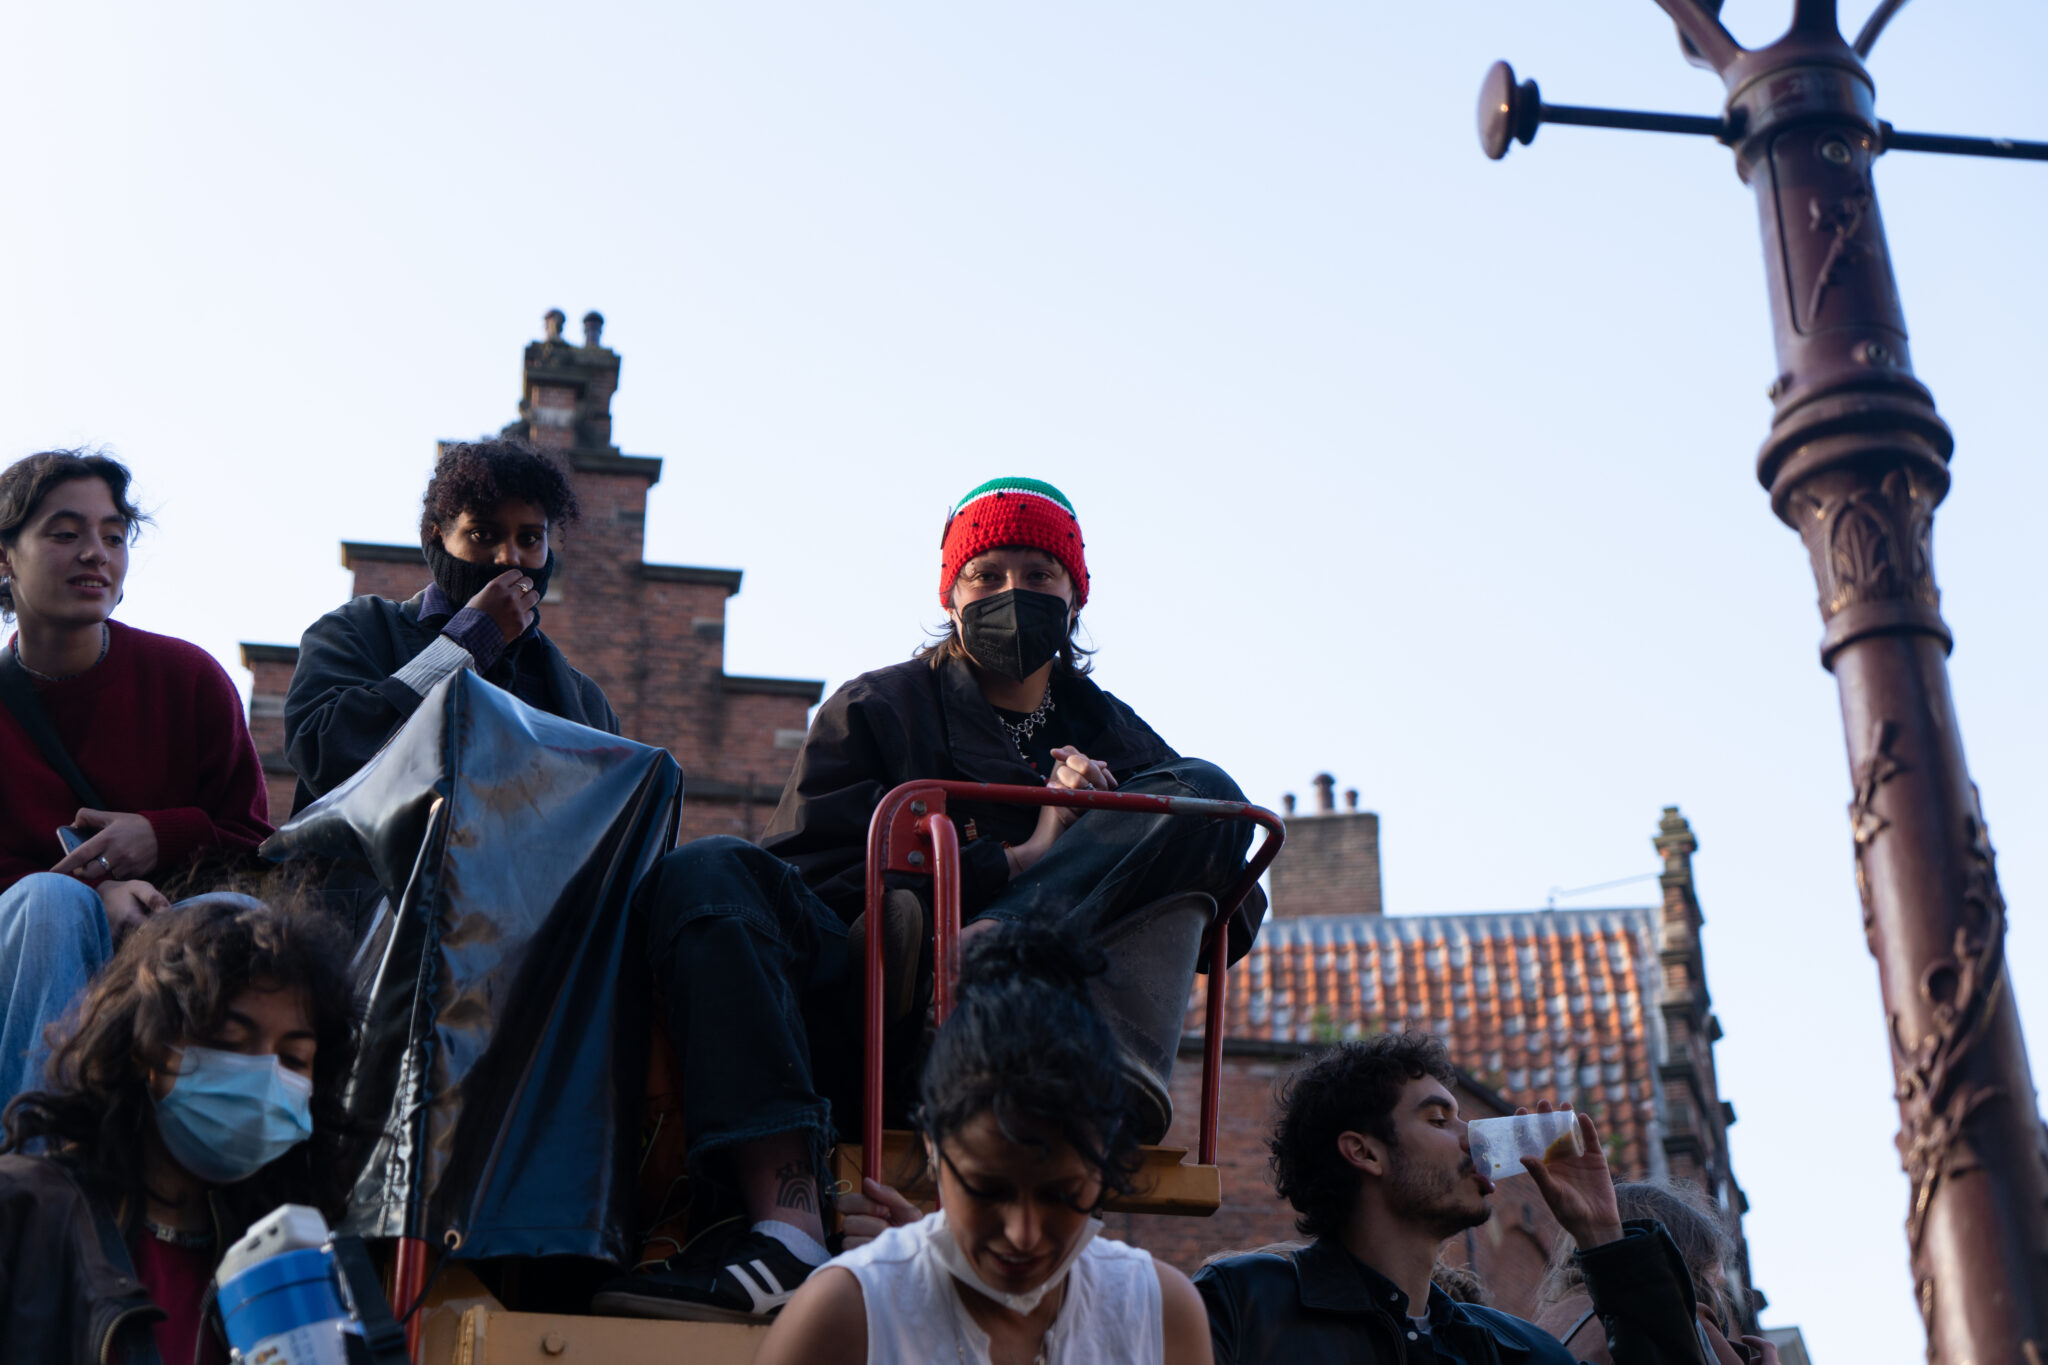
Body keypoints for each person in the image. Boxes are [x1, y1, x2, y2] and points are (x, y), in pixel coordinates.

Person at [596, 477, 1258, 1323]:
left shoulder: (1115, 734)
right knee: (708, 871)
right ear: (950, 594)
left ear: (1075, 596)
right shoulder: (875, 707)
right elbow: (808, 878)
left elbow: (1231, 903)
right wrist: (1012, 859)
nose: (1014, 594)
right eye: (988, 575)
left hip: (1033, 1023)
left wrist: (1105, 830)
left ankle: (1000, 948)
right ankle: (787, 1229)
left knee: (1202, 792)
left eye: (1039, 574)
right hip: (875, 1016)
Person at [752, 926, 1213, 1365]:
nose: (1023, 1234)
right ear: (932, 1144)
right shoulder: (846, 1315)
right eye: (987, 1189)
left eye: (1061, 1194)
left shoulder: (1159, 1317)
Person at [0, 450, 272, 1108]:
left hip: (166, 945)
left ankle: (204, 1189)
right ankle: (36, 1165)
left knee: (237, 918)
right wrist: (96, 896)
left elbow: (261, 849)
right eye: (65, 533)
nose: (97, 553)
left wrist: (161, 835)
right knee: (51, 905)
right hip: (22, 954)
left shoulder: (189, 680)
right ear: (6, 558)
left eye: (114, 535)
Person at [0, 889, 358, 1365]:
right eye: (231, 1040)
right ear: (147, 1045)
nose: (265, 1077)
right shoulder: (24, 1214)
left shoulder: (303, 1271)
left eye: (294, 1059)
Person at [1193, 1033, 1707, 1364]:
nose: (1474, 1138)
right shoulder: (1243, 1303)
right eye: (1439, 1120)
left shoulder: (1516, 1353)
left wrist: (1602, 1236)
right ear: (1364, 1153)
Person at [284, 439, 618, 820]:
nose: (510, 557)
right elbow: (322, 756)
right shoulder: (358, 630)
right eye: (483, 535)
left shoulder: (585, 701)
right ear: (437, 534)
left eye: (529, 539)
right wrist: (469, 643)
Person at [1535, 1181, 1778, 1365]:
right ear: (1683, 1256)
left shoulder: (1547, 1328)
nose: (1722, 1279)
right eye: (1711, 1262)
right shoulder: (1678, 1326)